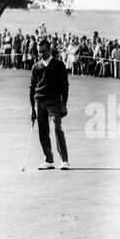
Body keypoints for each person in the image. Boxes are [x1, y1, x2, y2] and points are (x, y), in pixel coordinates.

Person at [29, 39, 70, 170]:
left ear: (50, 50)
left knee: (57, 128)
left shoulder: (59, 65)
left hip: (53, 102)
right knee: (43, 131)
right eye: (39, 52)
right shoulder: (36, 67)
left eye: (44, 51)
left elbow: (65, 86)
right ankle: (49, 159)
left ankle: (64, 160)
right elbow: (32, 88)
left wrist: (64, 104)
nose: (41, 54)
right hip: (39, 102)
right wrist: (32, 108)